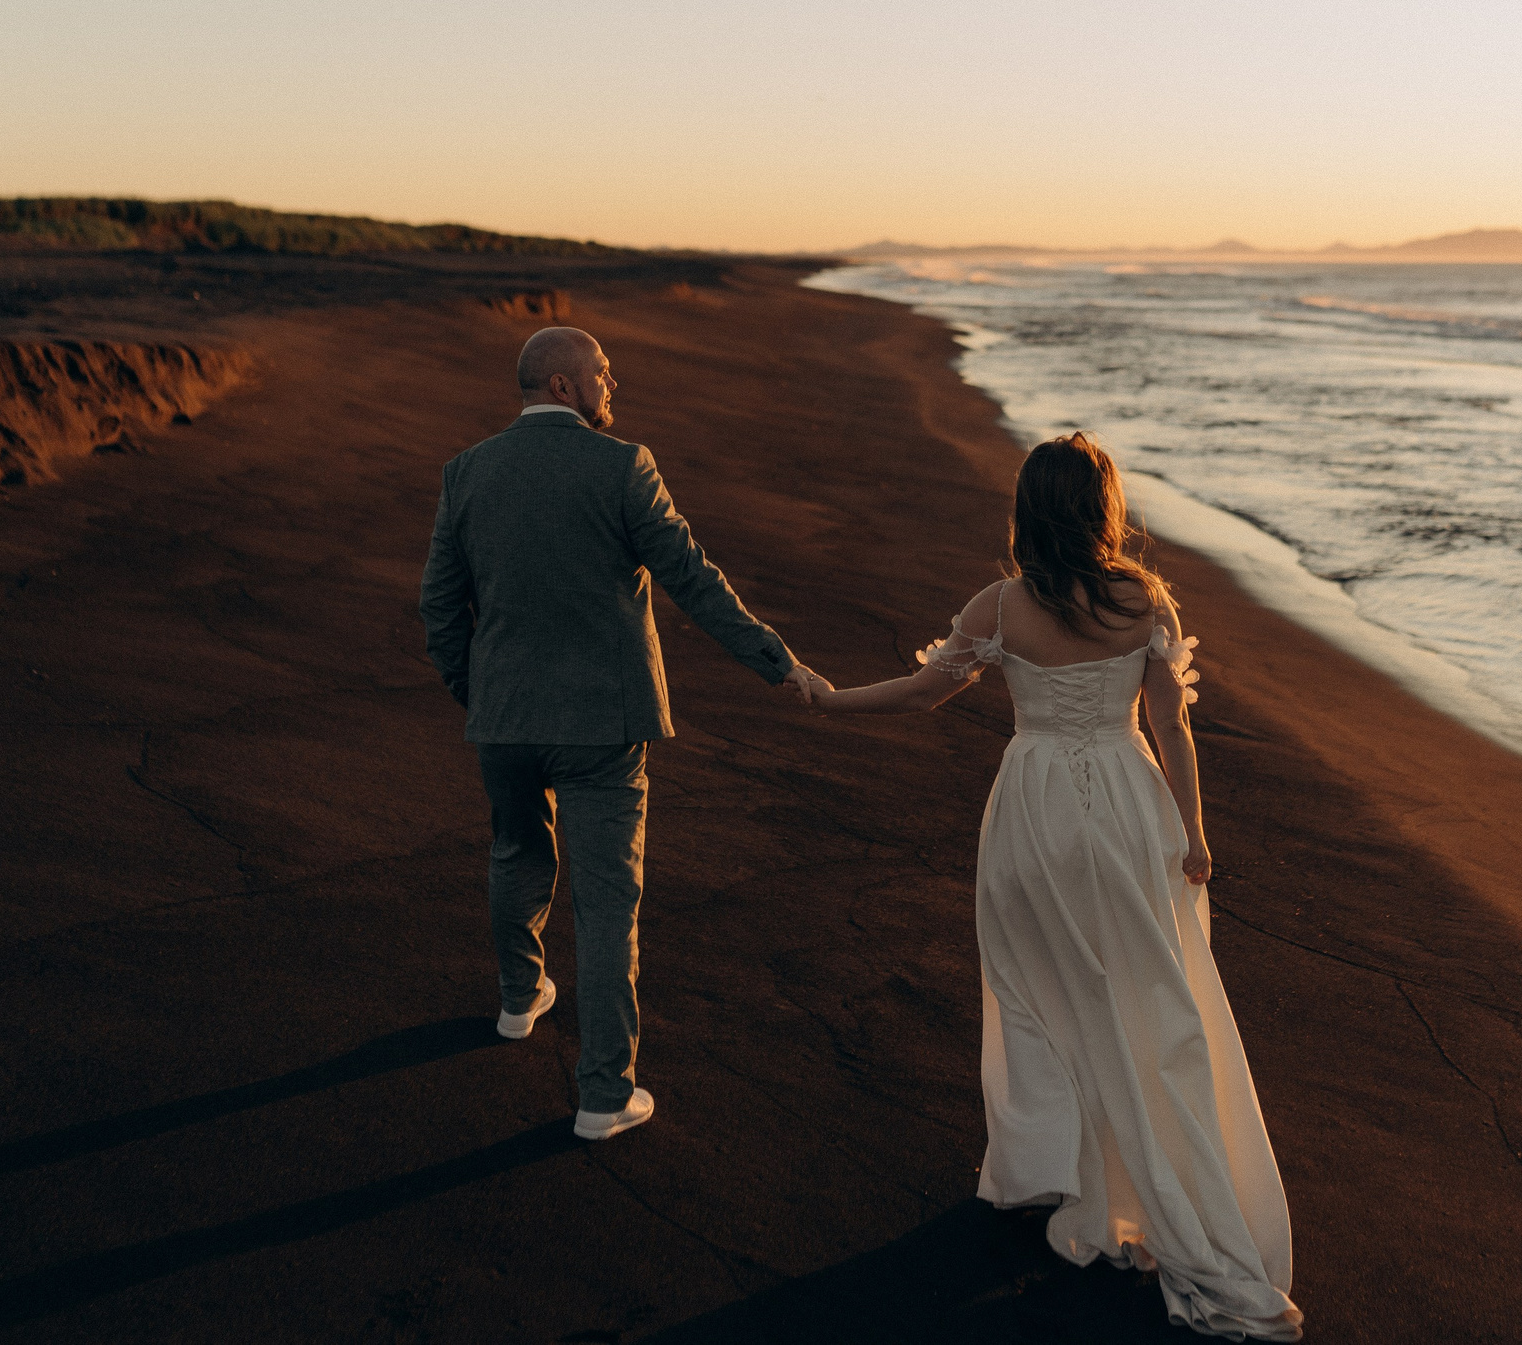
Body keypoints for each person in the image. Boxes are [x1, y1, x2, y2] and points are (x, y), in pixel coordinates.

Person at [804, 433, 1302, 1339]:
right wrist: (1195, 833)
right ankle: (1141, 1180)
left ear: (1029, 509)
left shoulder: (1001, 605)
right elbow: (1172, 728)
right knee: (1147, 998)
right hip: (1125, 807)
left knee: (1039, 994)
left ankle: (1060, 1167)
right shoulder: (1140, 600)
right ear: (1103, 508)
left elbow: (923, 693)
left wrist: (831, 699)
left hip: (1032, 816)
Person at [419, 325, 825, 1142]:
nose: (616, 382)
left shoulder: (466, 473)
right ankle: (604, 1094)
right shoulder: (622, 467)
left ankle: (516, 999)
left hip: (503, 718)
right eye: (604, 371)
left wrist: (482, 695)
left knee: (515, 854)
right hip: (603, 724)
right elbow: (694, 580)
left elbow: (439, 608)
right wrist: (777, 662)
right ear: (564, 385)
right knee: (607, 902)